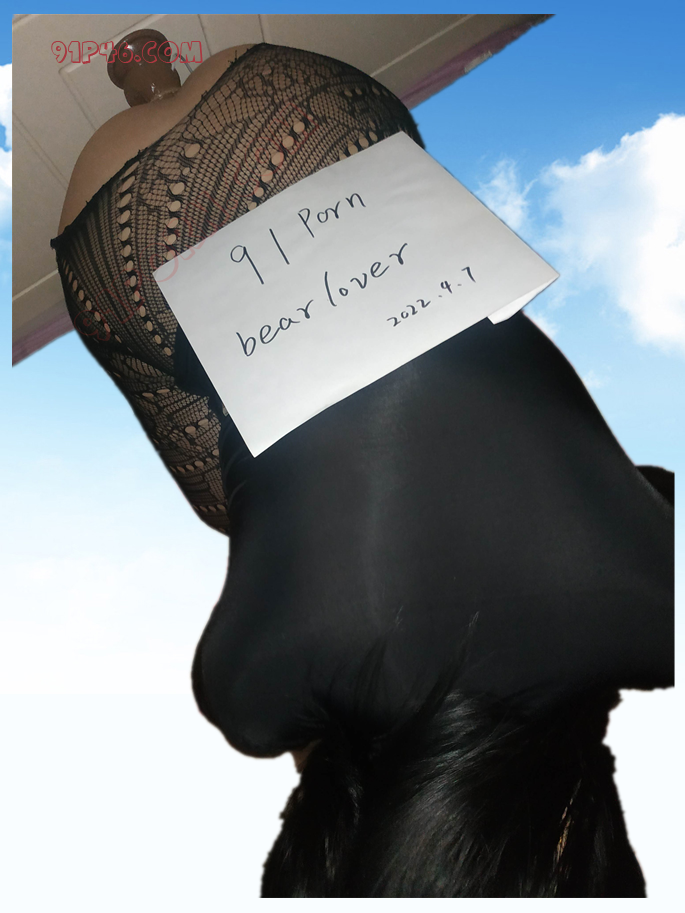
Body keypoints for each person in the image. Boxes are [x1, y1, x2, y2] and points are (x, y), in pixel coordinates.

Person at [51, 42, 673, 897]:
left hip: (315, 126)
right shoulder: (252, 696)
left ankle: (160, 83)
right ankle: (141, 85)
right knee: (234, 502)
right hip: (127, 239)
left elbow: (647, 481)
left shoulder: (656, 613)